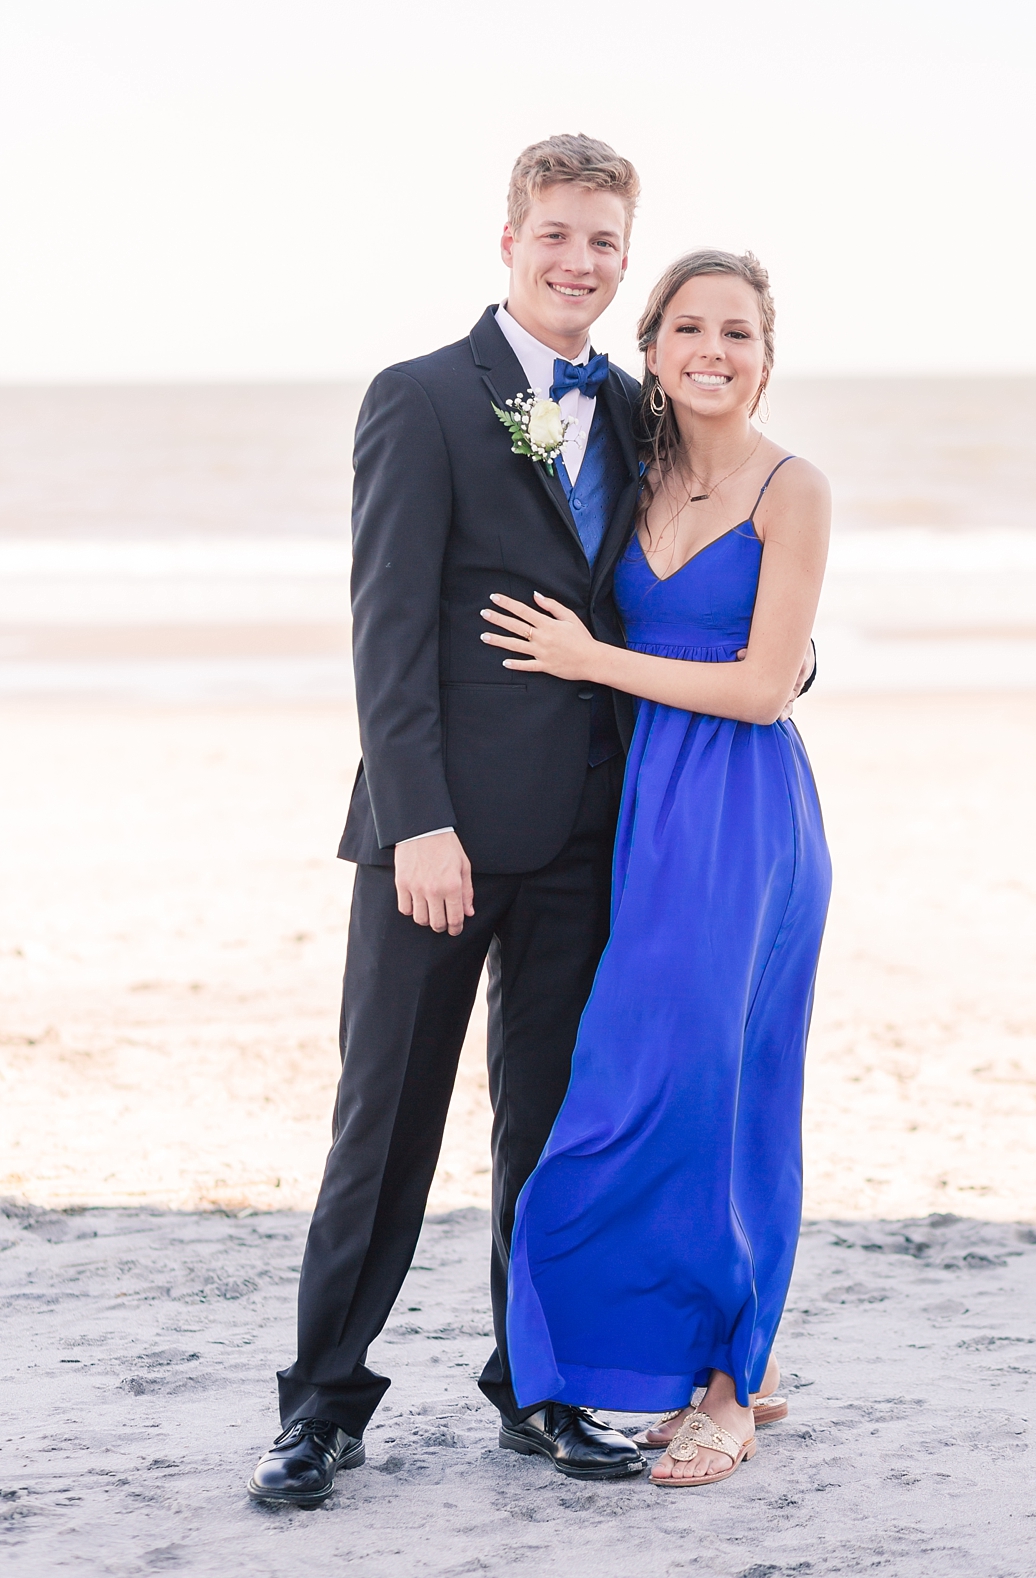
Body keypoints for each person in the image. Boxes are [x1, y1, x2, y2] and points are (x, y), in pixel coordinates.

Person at [247, 133, 653, 1504]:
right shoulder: (420, 398)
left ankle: (536, 1390)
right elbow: (388, 629)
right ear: (509, 239)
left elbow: (686, 586)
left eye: (603, 240)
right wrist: (418, 820)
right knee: (386, 1127)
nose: (579, 262)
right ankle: (321, 1404)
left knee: (547, 1134)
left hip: (585, 837)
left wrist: (780, 664)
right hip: (437, 842)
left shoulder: (643, 413)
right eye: (556, 233)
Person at [480, 248, 832, 1489]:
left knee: (723, 1087)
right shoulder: (635, 465)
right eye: (689, 328)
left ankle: (733, 1386)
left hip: (741, 813)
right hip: (640, 805)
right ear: (654, 348)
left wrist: (592, 663)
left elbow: (755, 683)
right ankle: (683, 1346)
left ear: (766, 353)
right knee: (633, 1081)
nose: (714, 351)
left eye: (738, 332)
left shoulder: (796, 488)